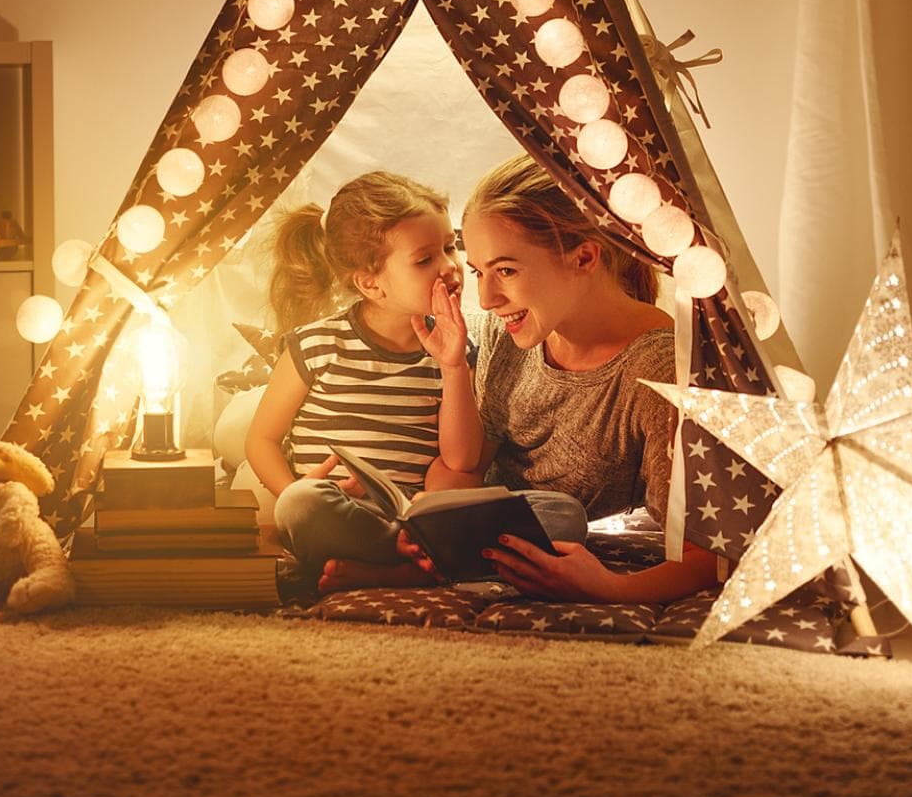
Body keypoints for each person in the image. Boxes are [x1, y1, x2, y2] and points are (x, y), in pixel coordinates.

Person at [411, 153, 722, 603]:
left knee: (561, 517)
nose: (487, 296)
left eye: (506, 270)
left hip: (558, 531)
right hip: (497, 530)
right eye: (479, 271)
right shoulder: (508, 337)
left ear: (584, 257)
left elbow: (708, 553)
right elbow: (465, 470)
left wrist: (611, 588)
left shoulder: (659, 368)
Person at [244, 171, 477, 589]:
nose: (449, 267)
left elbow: (461, 461)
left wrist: (454, 365)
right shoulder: (315, 345)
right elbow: (261, 439)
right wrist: (292, 488)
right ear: (371, 283)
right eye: (425, 260)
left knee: (559, 514)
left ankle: (388, 570)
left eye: (450, 247)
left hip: (409, 519)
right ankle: (399, 564)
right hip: (333, 512)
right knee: (302, 505)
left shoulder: (457, 351)